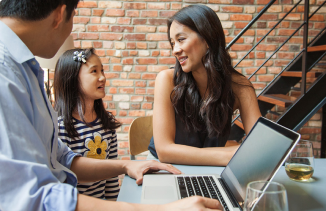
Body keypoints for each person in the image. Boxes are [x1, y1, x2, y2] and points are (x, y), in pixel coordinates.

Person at [0, 0, 222, 210]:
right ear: (60, 14)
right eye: (74, 15)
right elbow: (32, 198)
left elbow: (62, 159)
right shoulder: (5, 75)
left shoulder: (24, 71)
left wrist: (125, 165)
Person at [148, 5, 262, 166]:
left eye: (181, 40)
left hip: (213, 170)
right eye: (172, 43)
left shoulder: (240, 87)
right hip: (166, 168)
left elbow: (259, 146)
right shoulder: (166, 80)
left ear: (208, 39)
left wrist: (232, 153)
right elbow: (164, 151)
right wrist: (229, 155)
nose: (175, 50)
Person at [54, 48, 121, 200]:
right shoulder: (60, 128)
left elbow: (111, 180)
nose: (102, 77)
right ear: (72, 78)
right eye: (94, 71)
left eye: (102, 71)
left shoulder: (107, 125)